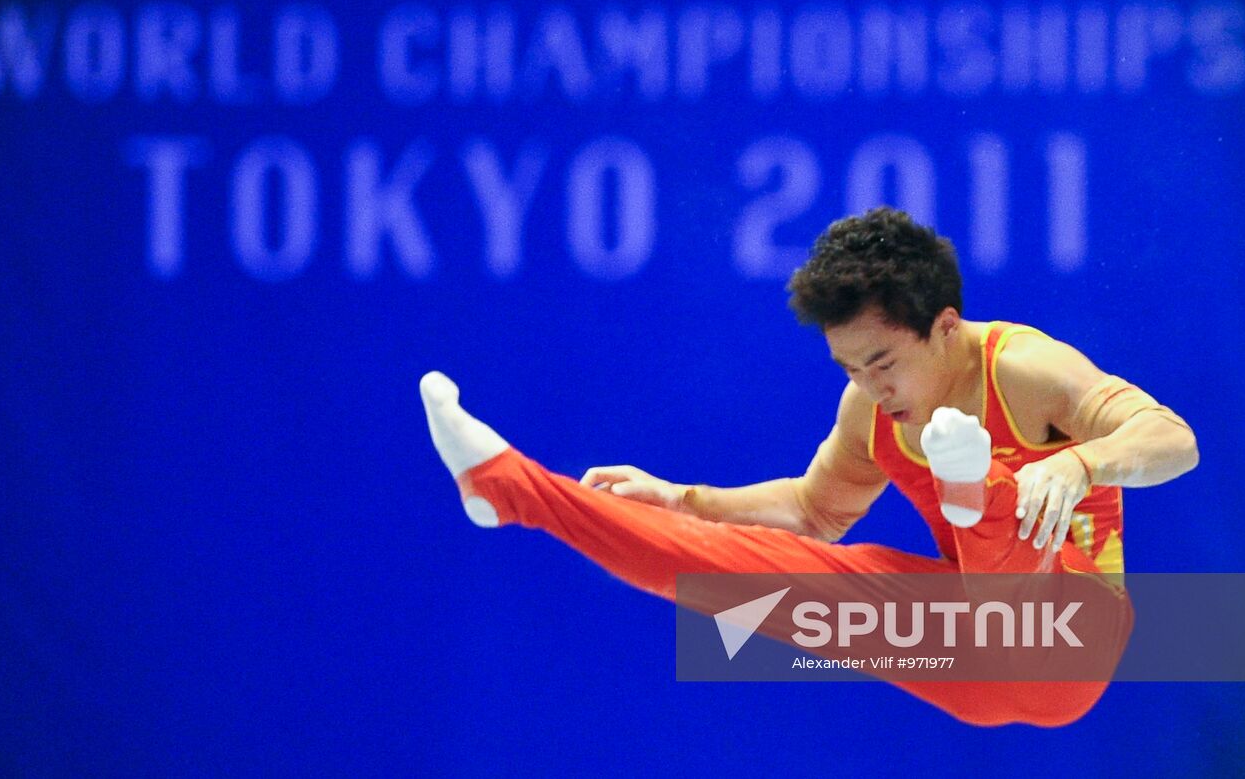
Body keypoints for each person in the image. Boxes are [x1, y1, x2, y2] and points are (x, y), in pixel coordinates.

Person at [419, 207, 1199, 726]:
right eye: (849, 367)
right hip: (972, 652)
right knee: (761, 578)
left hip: (1071, 641)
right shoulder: (869, 407)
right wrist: (680, 498)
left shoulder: (1026, 368)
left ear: (946, 326)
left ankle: (983, 492)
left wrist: (1082, 466)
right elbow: (812, 513)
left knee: (1013, 513)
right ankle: (512, 489)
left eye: (882, 361)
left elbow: (1172, 439)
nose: (868, 386)